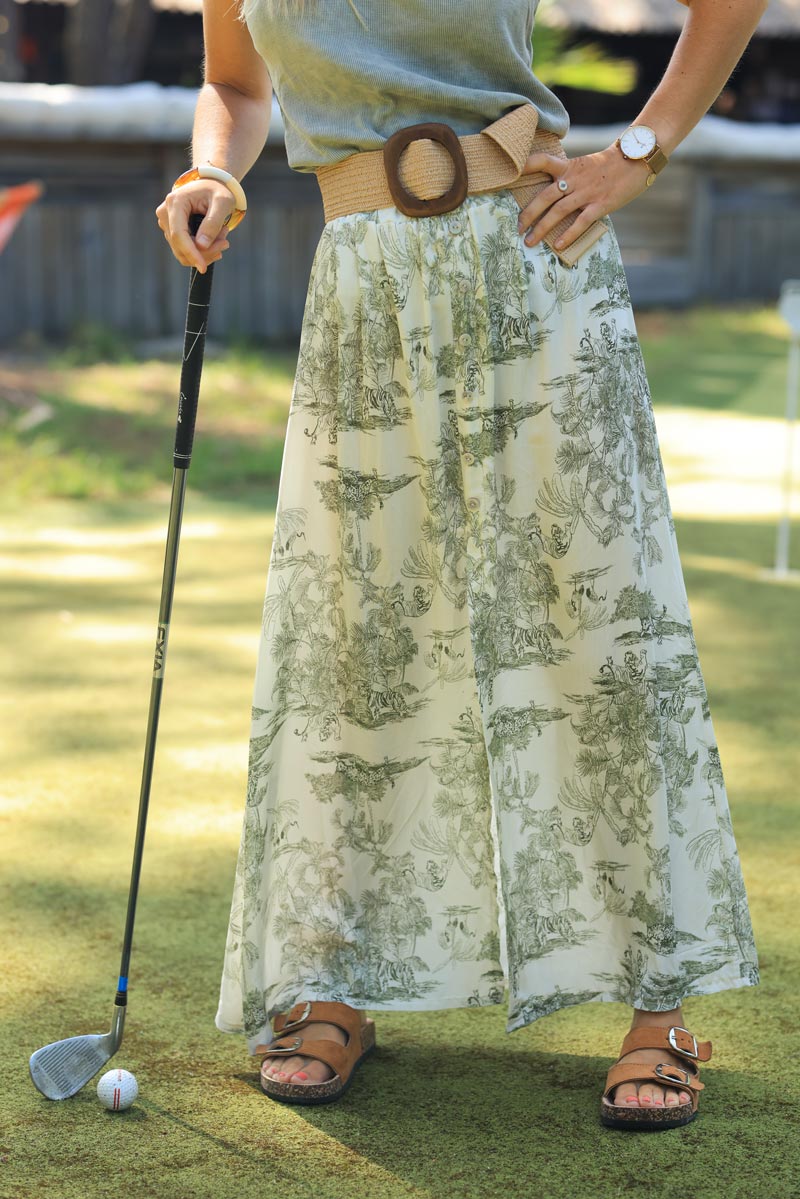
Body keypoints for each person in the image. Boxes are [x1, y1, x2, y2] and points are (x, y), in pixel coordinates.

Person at [155, 0, 765, 1130]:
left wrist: (639, 148)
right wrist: (216, 171)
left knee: (595, 632)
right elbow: (236, 89)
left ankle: (657, 1006)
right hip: (359, 294)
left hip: (532, 260)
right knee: (358, 641)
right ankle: (335, 981)